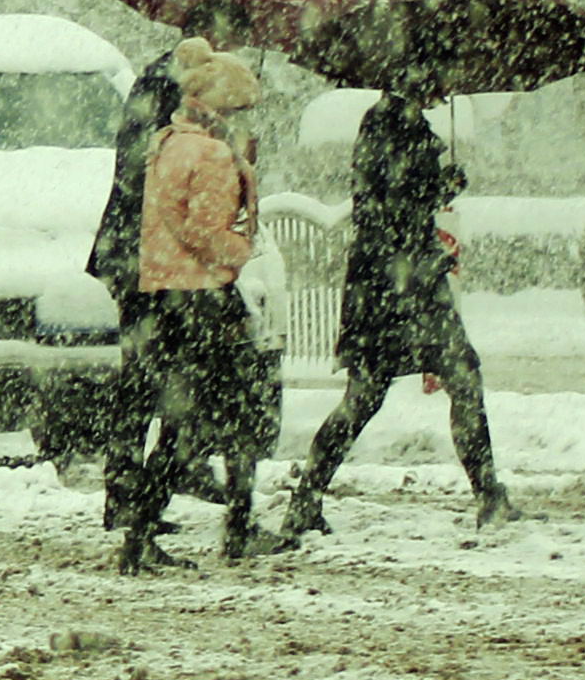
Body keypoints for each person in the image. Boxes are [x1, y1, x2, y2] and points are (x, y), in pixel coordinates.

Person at [283, 83, 523, 542]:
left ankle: (308, 498)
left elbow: (397, 200)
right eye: (437, 76)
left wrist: (438, 187)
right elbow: (385, 210)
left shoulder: (399, 122)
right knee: (405, 388)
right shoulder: (389, 124)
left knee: (380, 393)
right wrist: (427, 219)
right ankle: (487, 495)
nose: (445, 86)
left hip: (393, 284)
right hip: (397, 286)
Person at [107, 44, 293, 573]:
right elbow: (203, 231)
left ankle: (163, 529)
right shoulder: (209, 154)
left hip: (165, 295)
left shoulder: (166, 142)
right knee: (209, 422)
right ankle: (185, 531)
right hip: (203, 298)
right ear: (220, 107)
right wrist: (243, 249)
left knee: (194, 420)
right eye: (238, 111)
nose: (241, 121)